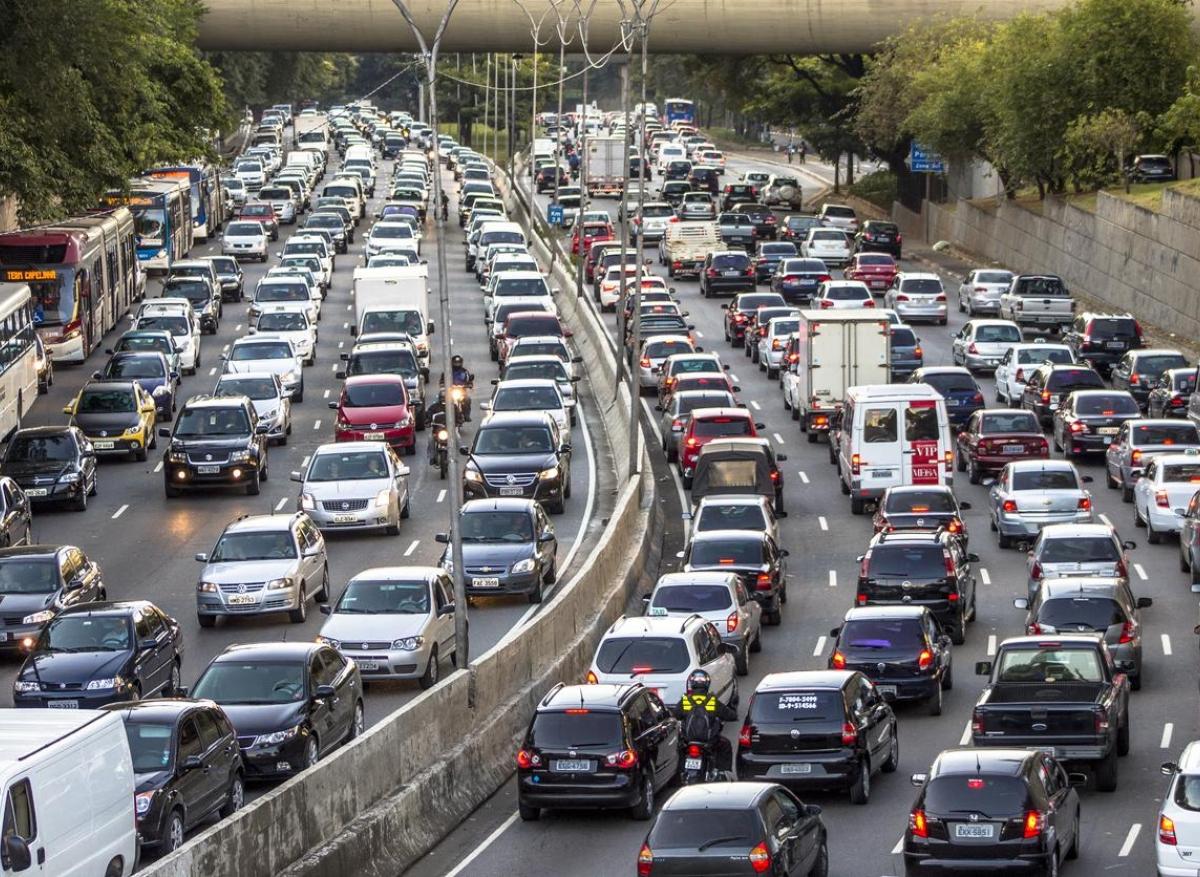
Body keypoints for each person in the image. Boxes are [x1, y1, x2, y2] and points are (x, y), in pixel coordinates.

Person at [678, 670, 737, 772]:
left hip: (688, 740)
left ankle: (680, 773)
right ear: (707, 683)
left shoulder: (685, 700)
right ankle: (723, 774)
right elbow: (730, 715)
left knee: (679, 749)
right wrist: (734, 714)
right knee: (725, 745)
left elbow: (675, 715)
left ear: (692, 683)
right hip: (709, 741)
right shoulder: (712, 700)